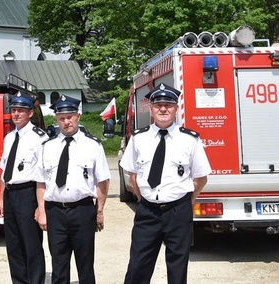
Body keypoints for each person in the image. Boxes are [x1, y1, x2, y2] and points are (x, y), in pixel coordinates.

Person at [121, 83, 211, 284]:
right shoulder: (138, 138)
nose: (163, 109)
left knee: (177, 270)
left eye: (168, 105)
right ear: (151, 109)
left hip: (178, 212)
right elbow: (132, 173)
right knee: (137, 267)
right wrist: (142, 197)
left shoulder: (190, 139)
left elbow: (201, 178)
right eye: (158, 105)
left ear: (176, 109)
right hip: (147, 213)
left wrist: (188, 200)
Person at [37, 95, 110, 284]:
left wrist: (99, 211)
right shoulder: (47, 147)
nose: (66, 122)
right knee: (58, 265)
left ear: (78, 116)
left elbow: (102, 181)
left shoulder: (93, 145)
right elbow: (41, 182)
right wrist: (42, 211)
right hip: (55, 211)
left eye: (70, 117)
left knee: (85, 264)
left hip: (83, 210)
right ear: (56, 120)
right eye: (61, 118)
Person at [0, 92, 47, 284]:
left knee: (32, 244)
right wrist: (1, 199)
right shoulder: (9, 137)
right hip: (10, 193)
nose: (16, 114)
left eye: (21, 111)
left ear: (30, 114)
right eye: (14, 110)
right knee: (14, 245)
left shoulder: (39, 138)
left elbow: (44, 174)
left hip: (29, 193)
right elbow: (4, 171)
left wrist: (39, 206)